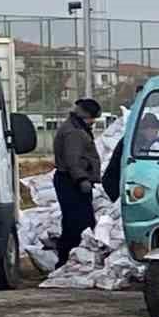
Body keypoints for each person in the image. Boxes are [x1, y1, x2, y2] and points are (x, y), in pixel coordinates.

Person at [52, 98, 103, 267]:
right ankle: (68, 258)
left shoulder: (76, 127)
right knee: (78, 222)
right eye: (92, 118)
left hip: (72, 180)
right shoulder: (73, 132)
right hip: (72, 181)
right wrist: (82, 179)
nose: (93, 122)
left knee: (75, 220)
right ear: (85, 115)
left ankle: (70, 257)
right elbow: (72, 160)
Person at [102, 113, 159, 203]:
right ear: (147, 129)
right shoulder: (136, 141)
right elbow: (137, 164)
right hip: (116, 183)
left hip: (119, 181)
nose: (156, 135)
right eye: (155, 131)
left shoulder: (136, 138)